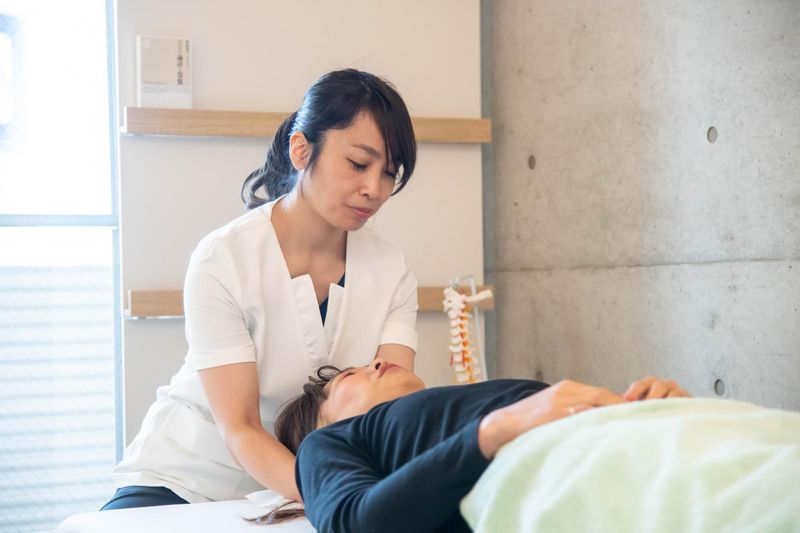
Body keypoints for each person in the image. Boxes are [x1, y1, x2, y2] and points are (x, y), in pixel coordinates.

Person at [102, 69, 420, 510]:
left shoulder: (391, 267)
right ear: (301, 149)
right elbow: (241, 428)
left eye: (389, 173)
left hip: (319, 481)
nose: (374, 189)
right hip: (188, 477)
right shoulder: (223, 259)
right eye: (358, 164)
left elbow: (395, 408)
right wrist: (335, 498)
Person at [272, 360, 689, 532]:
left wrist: (650, 407)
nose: (376, 361)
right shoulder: (326, 444)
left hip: (659, 443)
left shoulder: (444, 412)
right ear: (322, 424)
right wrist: (498, 428)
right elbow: (355, 523)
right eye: (350, 376)